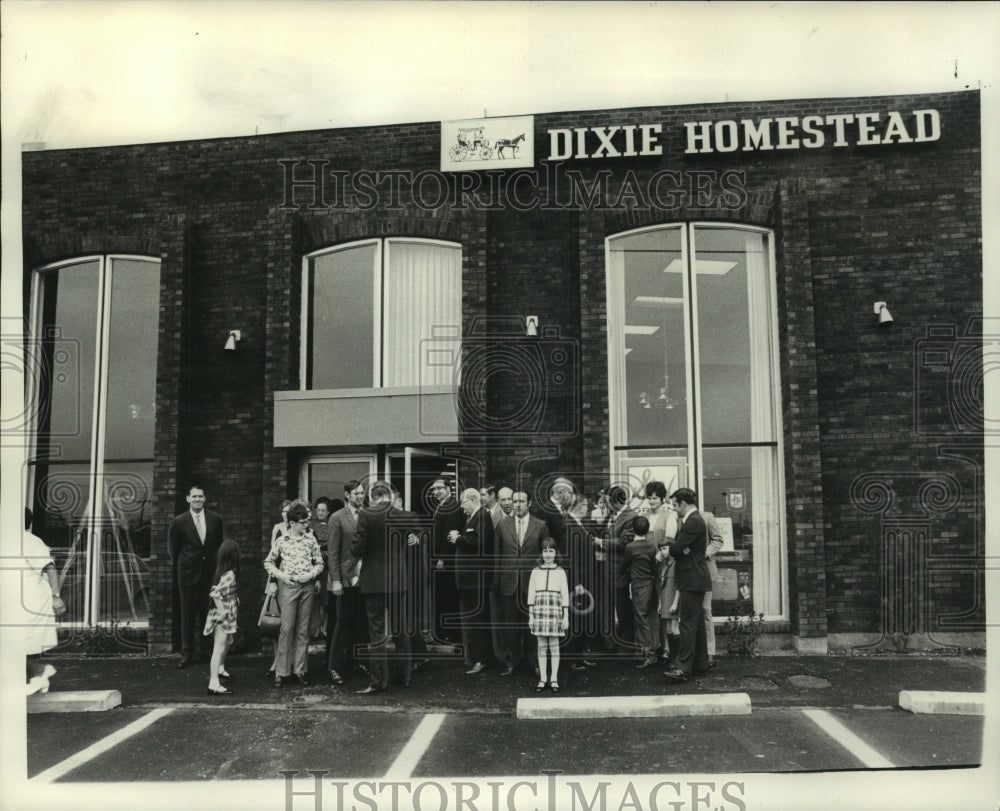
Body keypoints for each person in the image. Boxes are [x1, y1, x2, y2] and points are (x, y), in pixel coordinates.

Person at [351, 481, 420, 694]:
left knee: (377, 632)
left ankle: (378, 681)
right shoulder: (402, 514)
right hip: (397, 581)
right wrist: (414, 537)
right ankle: (405, 677)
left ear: (372, 497)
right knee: (400, 630)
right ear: (389, 495)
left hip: (373, 581)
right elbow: (420, 533)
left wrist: (357, 549)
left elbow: (357, 548)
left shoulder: (366, 515)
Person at [265, 503, 324, 687]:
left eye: (307, 521)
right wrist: (282, 576)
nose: (306, 525)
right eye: (303, 522)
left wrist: (312, 575)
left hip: (307, 587)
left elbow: (320, 563)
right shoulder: (282, 541)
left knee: (302, 629)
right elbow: (268, 562)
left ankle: (300, 670)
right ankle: (282, 672)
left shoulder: (311, 540)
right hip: (288, 588)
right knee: (286, 628)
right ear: (292, 523)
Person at [167, 484, 226, 668]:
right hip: (187, 574)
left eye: (200, 496)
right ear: (188, 499)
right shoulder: (178, 521)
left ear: (205, 498)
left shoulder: (216, 519)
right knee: (187, 614)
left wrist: (219, 571)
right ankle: (187, 653)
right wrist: (182, 567)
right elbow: (173, 549)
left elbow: (221, 546)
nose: (197, 499)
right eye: (194, 497)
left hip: (209, 574)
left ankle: (206, 651)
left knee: (208, 613)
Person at [494, 491, 547, 677]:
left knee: (533, 626)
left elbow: (546, 555)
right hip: (509, 584)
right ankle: (513, 662)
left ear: (529, 503)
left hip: (532, 584)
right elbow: (497, 556)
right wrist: (498, 581)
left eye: (521, 501)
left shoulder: (540, 525)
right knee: (511, 626)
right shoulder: (502, 525)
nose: (517, 505)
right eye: (514, 501)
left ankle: (535, 662)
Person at [662, 488, 712, 683]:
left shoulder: (693, 521)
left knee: (687, 624)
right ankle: (700, 663)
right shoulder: (695, 520)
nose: (674, 510)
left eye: (675, 505)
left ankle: (683, 667)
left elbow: (675, 548)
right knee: (697, 623)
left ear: (683, 503)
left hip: (692, 579)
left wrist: (679, 548)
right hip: (695, 578)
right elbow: (682, 548)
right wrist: (683, 548)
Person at [327, 480, 368, 686]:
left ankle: (357, 660)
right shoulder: (337, 518)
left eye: (362, 493)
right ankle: (334, 666)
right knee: (342, 623)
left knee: (360, 622)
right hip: (344, 578)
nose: (361, 496)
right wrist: (336, 580)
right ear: (347, 495)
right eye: (357, 493)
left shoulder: (367, 514)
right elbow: (333, 553)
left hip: (364, 578)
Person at [23, 508, 66, 695]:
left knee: (13, 644)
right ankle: (36, 678)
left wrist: (56, 597)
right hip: (14, 601)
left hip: (31, 600)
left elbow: (50, 568)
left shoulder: (30, 541)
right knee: (19, 645)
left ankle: (40, 672)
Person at [453, 488, 494, 675]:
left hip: (476, 581)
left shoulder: (483, 516)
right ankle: (475, 658)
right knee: (472, 620)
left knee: (478, 621)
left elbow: (479, 543)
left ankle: (481, 660)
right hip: (469, 581)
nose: (462, 507)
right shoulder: (473, 518)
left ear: (472, 499)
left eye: (463, 502)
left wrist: (458, 538)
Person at [592, 484, 637, 654]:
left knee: (623, 609)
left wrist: (601, 542)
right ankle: (611, 645)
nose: (606, 505)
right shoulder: (614, 514)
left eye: (608, 502)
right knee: (607, 608)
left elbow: (624, 542)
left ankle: (627, 646)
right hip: (608, 570)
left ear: (614, 501)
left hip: (620, 571)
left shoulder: (631, 516)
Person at [527, 539, 569, 693]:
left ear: (556, 553)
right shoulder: (535, 571)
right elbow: (531, 595)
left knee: (554, 646)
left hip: (555, 610)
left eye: (551, 551)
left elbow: (564, 595)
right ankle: (543, 678)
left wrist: (566, 617)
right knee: (542, 647)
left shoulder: (560, 572)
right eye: (545, 551)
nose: (548, 554)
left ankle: (554, 679)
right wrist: (531, 616)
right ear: (541, 553)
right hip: (539, 610)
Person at [621, 517, 660, 668]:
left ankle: (648, 654)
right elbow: (654, 567)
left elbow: (624, 565)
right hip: (649, 584)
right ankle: (649, 650)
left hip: (637, 585)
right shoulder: (651, 546)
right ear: (647, 529)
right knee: (647, 616)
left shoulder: (631, 547)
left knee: (641, 618)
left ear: (633, 529)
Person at [430, 478, 465, 646]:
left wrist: (442, 558)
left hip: (447, 562)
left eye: (439, 488)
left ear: (449, 489)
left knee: (448, 597)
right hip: (439, 560)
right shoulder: (442, 506)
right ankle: (442, 633)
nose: (436, 492)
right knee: (441, 596)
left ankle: (450, 634)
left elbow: (450, 533)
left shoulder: (453, 506)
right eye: (434, 489)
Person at [204, 539, 240, 696]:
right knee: (218, 648)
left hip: (229, 613)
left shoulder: (223, 572)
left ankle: (219, 668)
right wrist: (223, 611)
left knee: (229, 642)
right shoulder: (230, 574)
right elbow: (215, 593)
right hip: (225, 615)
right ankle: (213, 683)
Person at [702, 510, 726, 668]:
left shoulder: (707, 517)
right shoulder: (676, 518)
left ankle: (710, 652)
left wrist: (704, 553)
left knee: (705, 610)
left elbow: (718, 540)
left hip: (704, 570)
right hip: (683, 573)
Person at [309, 497, 333, 641]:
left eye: (323, 510)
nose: (320, 513)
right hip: (316, 567)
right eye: (318, 510)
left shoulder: (332, 524)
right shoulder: (311, 526)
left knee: (327, 600)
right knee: (316, 600)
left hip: (329, 567)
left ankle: (325, 627)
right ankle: (315, 629)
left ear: (328, 512)